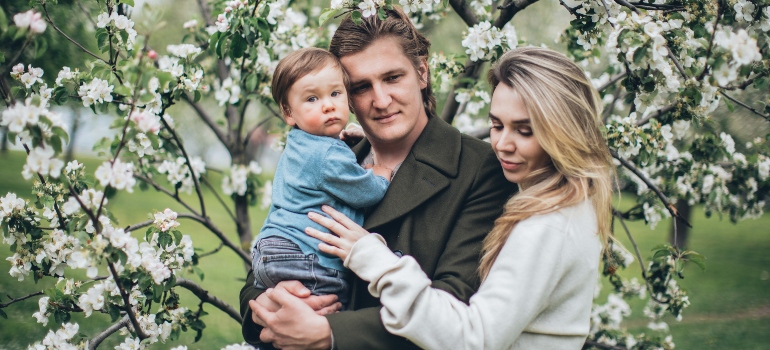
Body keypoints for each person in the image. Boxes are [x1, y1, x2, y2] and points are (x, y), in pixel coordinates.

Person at [296, 46, 615, 349]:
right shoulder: (552, 204)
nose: (502, 144)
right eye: (496, 124)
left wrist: (376, 259)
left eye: (525, 130)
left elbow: (472, 340)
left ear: (565, 129)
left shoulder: (549, 227)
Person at [239, 7, 516, 350]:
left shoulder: (481, 169)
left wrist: (331, 333)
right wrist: (264, 305)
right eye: (360, 87)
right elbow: (275, 242)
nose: (381, 100)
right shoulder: (335, 154)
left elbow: (457, 306)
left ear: (422, 72)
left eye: (392, 77)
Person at [251, 48, 391, 310]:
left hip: (273, 249)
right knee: (330, 307)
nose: (328, 105)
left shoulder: (300, 142)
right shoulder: (327, 154)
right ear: (289, 113)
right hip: (306, 256)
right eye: (312, 99)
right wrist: (380, 175)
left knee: (288, 316)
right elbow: (365, 192)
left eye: (335, 94)